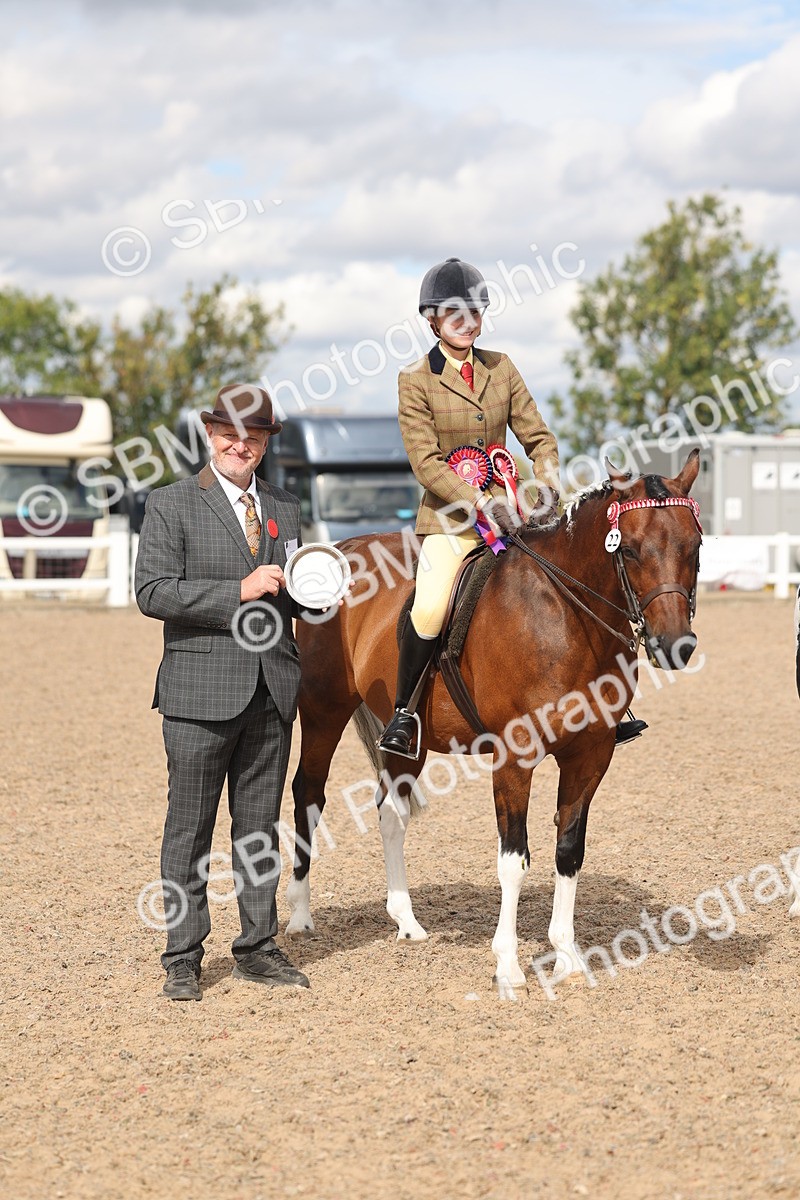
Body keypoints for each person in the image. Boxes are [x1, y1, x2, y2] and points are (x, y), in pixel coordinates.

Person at [378, 257, 646, 758]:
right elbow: (426, 462)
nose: (467, 322)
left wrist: (546, 482)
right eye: (454, 313)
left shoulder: (501, 367)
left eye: (475, 312)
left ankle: (603, 707)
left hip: (514, 517)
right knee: (431, 604)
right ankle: (404, 712)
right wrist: (480, 501)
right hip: (452, 522)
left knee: (574, 582)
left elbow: (538, 436)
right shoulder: (415, 379)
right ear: (432, 319)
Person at [135, 383, 310, 1000]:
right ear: (211, 435)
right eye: (231, 434)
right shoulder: (171, 503)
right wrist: (238, 590)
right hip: (198, 691)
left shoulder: (285, 506)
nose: (242, 445)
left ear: (265, 443)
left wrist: (315, 592)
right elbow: (152, 591)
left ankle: (258, 947)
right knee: (190, 828)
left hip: (272, 689)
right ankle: (182, 955)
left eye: (254, 437)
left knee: (259, 830)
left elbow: (288, 596)